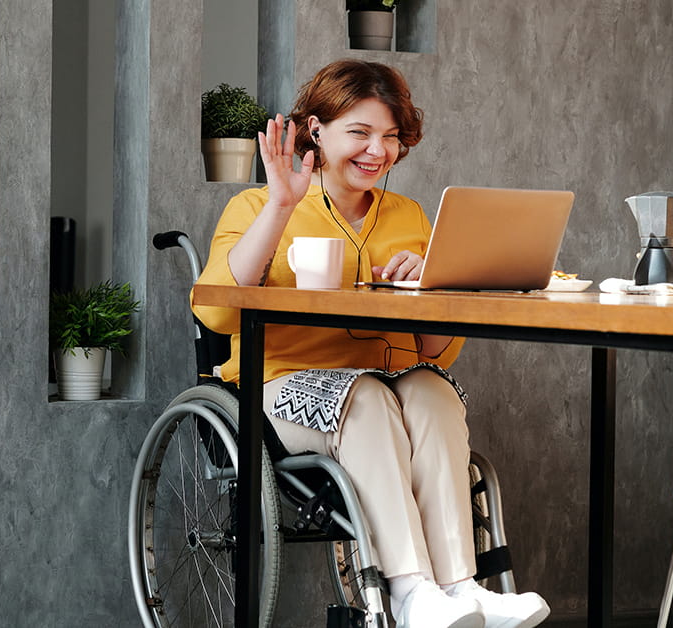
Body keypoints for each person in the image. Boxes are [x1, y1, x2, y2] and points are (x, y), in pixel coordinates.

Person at [191, 59, 550, 628]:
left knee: (433, 392)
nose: (376, 150)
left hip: (394, 384)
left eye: (390, 137)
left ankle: (460, 590)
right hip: (278, 389)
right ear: (317, 130)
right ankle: (410, 591)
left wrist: (430, 285)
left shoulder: (408, 215)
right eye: (359, 132)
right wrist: (282, 205)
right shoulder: (256, 206)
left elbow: (433, 348)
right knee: (368, 399)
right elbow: (215, 308)